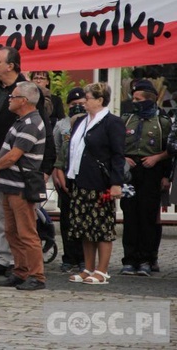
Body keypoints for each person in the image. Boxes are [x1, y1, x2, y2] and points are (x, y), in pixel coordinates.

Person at [0, 47, 55, 277]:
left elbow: (44, 129)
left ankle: (27, 269)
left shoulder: (28, 91)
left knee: (22, 224)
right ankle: (4, 259)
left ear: (11, 65)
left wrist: (47, 166)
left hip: (17, 170)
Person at [0, 81, 47, 291]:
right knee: (11, 231)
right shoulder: (20, 121)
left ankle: (37, 275)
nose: (10, 100)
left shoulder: (31, 123)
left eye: (13, 97)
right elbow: (5, 149)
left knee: (27, 233)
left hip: (21, 186)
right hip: (9, 184)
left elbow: (14, 156)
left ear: (24, 101)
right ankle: (20, 271)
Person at [65, 82, 125, 285]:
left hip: (101, 182)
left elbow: (118, 155)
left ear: (100, 100)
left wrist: (116, 182)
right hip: (81, 180)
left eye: (87, 98)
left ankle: (102, 270)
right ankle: (88, 267)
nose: (83, 102)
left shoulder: (112, 122)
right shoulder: (81, 121)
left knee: (101, 227)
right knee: (84, 227)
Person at [119, 79, 172, 276]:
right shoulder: (126, 119)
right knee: (130, 214)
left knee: (148, 215)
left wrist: (162, 168)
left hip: (152, 169)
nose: (134, 102)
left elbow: (171, 149)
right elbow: (115, 144)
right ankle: (130, 258)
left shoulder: (162, 122)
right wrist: (123, 158)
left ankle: (147, 259)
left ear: (149, 100)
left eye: (138, 99)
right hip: (130, 170)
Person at [51, 87, 86, 273]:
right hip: (64, 176)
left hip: (84, 177)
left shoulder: (91, 123)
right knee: (66, 219)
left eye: (81, 104)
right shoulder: (61, 125)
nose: (77, 107)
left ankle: (83, 258)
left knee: (82, 219)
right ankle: (69, 257)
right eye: (74, 104)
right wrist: (58, 175)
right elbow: (57, 151)